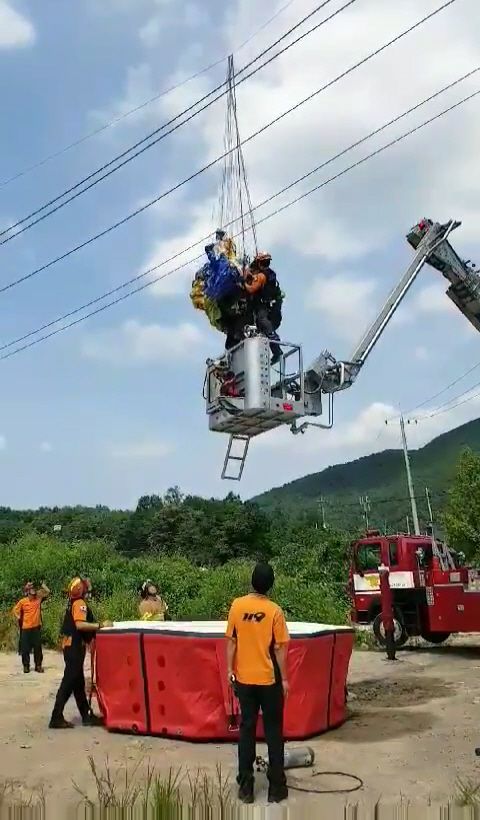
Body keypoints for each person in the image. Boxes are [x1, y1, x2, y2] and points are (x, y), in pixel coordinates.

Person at [225, 563, 290, 805]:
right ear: (270, 586)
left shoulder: (237, 606)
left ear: (252, 582)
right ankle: (276, 788)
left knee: (246, 729)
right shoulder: (274, 611)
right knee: (274, 731)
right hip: (269, 680)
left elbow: (231, 641)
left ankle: (246, 787)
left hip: (244, 679)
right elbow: (280, 648)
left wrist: (230, 670)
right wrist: (284, 679)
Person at [49, 577, 110, 729]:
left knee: (78, 683)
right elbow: (80, 624)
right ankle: (56, 717)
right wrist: (100, 626)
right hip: (74, 647)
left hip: (72, 646)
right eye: (85, 585)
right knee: (69, 682)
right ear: (81, 590)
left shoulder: (73, 603)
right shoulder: (80, 604)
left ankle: (86, 715)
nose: (88, 586)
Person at [243, 252, 283, 364]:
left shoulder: (262, 276)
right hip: (274, 307)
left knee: (262, 322)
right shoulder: (270, 274)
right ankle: (277, 352)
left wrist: (243, 282)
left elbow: (251, 289)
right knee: (262, 330)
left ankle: (274, 344)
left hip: (265, 308)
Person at [13, 581, 50, 674]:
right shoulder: (23, 601)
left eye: (34, 594)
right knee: (25, 649)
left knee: (37, 647)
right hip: (26, 628)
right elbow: (15, 610)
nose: (32, 596)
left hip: (36, 627)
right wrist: (18, 616)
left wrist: (43, 586)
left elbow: (48, 592)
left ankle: (38, 666)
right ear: (28, 593)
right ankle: (26, 666)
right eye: (31, 594)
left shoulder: (38, 600)